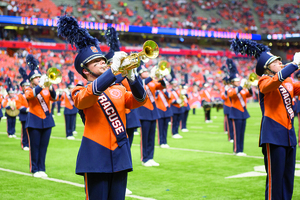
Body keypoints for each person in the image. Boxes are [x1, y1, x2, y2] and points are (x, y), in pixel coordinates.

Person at [58, 16, 147, 200]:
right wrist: (112, 72)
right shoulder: (79, 90)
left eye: (102, 59)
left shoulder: (119, 88)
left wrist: (132, 76)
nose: (101, 62)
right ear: (85, 70)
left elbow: (141, 100)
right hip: (95, 154)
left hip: (120, 151)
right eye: (95, 61)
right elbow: (89, 96)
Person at [231, 36, 300, 199]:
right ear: (267, 67)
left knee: (288, 178)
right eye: (276, 62)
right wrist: (294, 65)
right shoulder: (264, 80)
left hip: (289, 134)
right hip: (274, 134)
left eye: (280, 61)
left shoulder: (288, 80)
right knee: (275, 178)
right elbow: (274, 83)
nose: (280, 63)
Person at [24, 54, 58, 178]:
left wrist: (52, 86)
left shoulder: (47, 88)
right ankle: (35, 169)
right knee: (35, 146)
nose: (39, 78)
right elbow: (30, 95)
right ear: (32, 80)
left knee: (44, 147)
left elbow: (54, 98)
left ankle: (42, 168)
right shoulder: (28, 88)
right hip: (34, 120)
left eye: (40, 77)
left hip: (47, 121)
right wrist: (40, 85)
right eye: (36, 77)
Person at [136, 64, 166, 166]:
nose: (146, 73)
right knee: (145, 137)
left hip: (153, 111)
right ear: (140, 73)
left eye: (147, 71)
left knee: (151, 137)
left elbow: (162, 86)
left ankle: (150, 157)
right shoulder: (139, 82)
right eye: (144, 72)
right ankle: (144, 159)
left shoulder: (151, 81)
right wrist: (151, 76)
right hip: (144, 111)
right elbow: (143, 85)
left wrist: (161, 78)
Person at [227, 58, 252, 156]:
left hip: (243, 112)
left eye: (239, 81)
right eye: (236, 81)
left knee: (242, 133)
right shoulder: (230, 89)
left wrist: (249, 88)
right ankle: (236, 150)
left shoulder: (241, 89)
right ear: (232, 82)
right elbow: (232, 94)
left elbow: (249, 95)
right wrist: (241, 86)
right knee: (237, 133)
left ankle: (241, 150)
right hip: (236, 112)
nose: (238, 82)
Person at [60, 71, 78, 140]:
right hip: (67, 109)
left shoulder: (74, 94)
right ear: (69, 88)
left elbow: (73, 98)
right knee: (68, 123)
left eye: (72, 88)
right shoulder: (65, 93)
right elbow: (61, 98)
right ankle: (68, 134)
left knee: (72, 122)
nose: (71, 89)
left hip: (73, 109)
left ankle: (71, 132)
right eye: (70, 88)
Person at [17, 67, 30, 150]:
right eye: (25, 86)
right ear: (22, 87)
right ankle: (24, 144)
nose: (27, 87)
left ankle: (29, 144)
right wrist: (26, 109)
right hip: (24, 115)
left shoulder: (31, 93)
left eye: (28, 85)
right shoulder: (20, 95)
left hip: (31, 115)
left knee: (31, 131)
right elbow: (18, 105)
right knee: (24, 132)